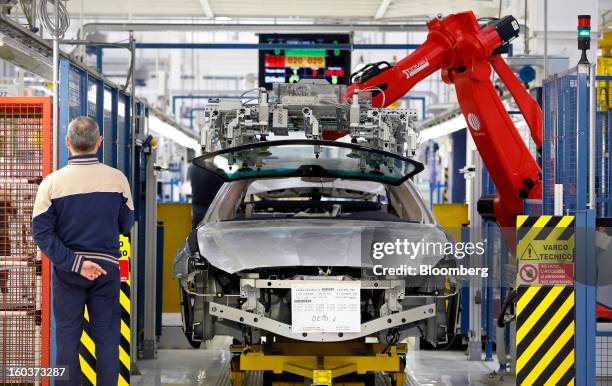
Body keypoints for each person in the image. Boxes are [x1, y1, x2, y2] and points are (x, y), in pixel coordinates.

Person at [32, 117, 134, 385]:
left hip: (68, 272)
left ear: (68, 143)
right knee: (107, 339)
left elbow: (41, 233)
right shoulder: (117, 180)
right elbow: (126, 225)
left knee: (66, 340)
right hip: (107, 271)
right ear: (99, 143)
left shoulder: (51, 184)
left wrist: (76, 263)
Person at [188, 163, 223, 229]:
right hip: (210, 208)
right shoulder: (214, 169)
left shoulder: (192, 168)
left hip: (196, 207)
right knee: (210, 231)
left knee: (196, 231)